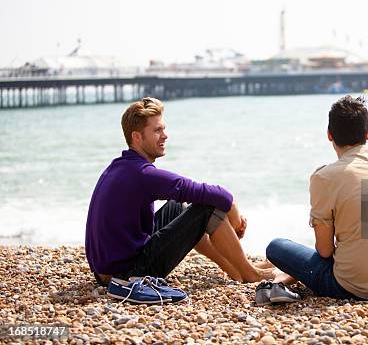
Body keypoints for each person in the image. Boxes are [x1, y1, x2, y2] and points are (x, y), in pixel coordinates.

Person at [85, 97, 272, 303]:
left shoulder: (120, 166)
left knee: (177, 207)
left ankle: (234, 268)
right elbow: (221, 196)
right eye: (157, 131)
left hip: (106, 270)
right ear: (137, 137)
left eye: (163, 129)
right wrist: (236, 220)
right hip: (127, 276)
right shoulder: (143, 174)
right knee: (207, 208)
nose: (165, 136)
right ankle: (250, 274)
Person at [263, 95, 368, 301]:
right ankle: (285, 277)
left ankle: (283, 277)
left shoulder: (325, 177)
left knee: (276, 247)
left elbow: (325, 251)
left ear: (329, 135)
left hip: (353, 288)